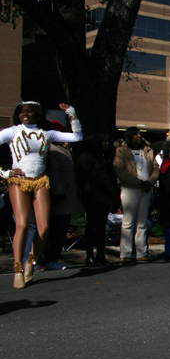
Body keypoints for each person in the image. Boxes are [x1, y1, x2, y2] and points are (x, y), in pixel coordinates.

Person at [0, 102, 82, 288]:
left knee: (43, 228)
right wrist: (4, 173)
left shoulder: (47, 133)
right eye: (21, 111)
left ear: (37, 113)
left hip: (40, 181)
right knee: (22, 224)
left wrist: (71, 113)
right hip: (18, 181)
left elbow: (77, 137)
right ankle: (18, 269)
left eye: (29, 111)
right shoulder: (12, 131)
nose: (24, 114)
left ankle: (32, 262)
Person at [41, 124, 84, 270]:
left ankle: (51, 257)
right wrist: (57, 192)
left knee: (60, 229)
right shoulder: (52, 151)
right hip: (60, 197)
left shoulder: (61, 150)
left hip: (65, 195)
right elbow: (53, 174)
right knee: (56, 230)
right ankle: (49, 258)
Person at [114, 127, 159, 263]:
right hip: (130, 189)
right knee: (128, 222)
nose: (139, 136)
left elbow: (156, 168)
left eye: (139, 134)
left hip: (145, 189)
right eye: (135, 134)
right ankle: (126, 253)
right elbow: (119, 170)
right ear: (129, 137)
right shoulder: (121, 151)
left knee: (142, 222)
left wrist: (149, 182)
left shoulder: (148, 150)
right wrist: (138, 182)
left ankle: (142, 252)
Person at [76, 134, 118, 266]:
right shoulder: (86, 157)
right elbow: (83, 178)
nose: (107, 144)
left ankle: (101, 253)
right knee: (92, 225)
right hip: (93, 196)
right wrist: (88, 194)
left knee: (101, 226)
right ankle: (90, 255)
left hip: (105, 195)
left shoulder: (105, 156)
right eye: (104, 141)